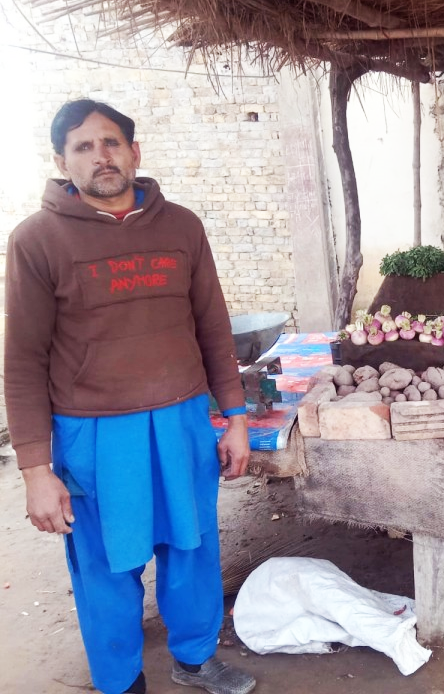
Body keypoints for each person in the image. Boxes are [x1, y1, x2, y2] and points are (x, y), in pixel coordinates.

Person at [4, 99, 257, 694]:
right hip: (93, 432)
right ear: (63, 161)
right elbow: (21, 362)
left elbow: (213, 328)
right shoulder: (37, 240)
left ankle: (195, 660)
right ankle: (120, 682)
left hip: (183, 420)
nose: (102, 156)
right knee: (107, 566)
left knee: (191, 549)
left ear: (135, 151)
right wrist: (36, 469)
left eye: (112, 142)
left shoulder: (181, 227)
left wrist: (237, 416)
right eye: (84, 147)